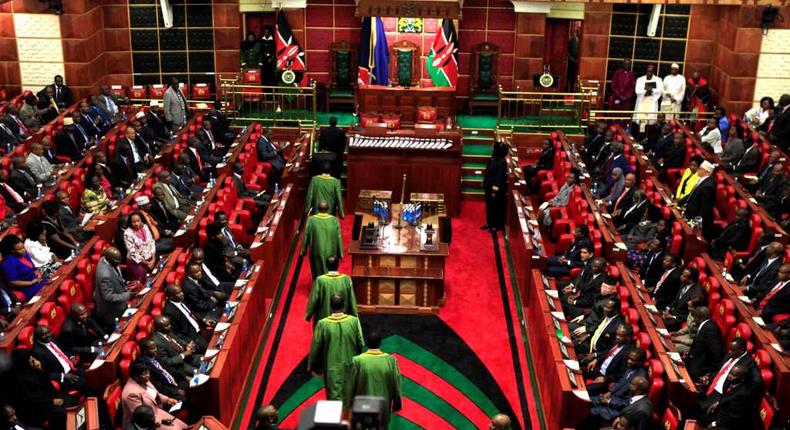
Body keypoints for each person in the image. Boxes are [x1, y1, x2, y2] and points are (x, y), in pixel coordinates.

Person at [308, 294, 365, 400]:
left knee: (333, 397)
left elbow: (316, 348)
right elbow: (360, 343)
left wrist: (313, 366)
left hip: (331, 366)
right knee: (350, 396)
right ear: (343, 305)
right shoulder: (354, 321)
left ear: (330, 306)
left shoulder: (322, 324)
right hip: (350, 364)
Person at [344, 331, 402, 428]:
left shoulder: (357, 361)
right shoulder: (391, 361)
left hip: (361, 409)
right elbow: (396, 385)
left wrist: (348, 405)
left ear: (367, 343)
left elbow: (350, 386)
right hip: (382, 409)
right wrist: (397, 404)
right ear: (380, 343)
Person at [699, 338, 763, 414]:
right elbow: (719, 371)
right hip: (710, 386)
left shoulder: (749, 363)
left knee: (697, 409)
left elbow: (757, 384)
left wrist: (726, 399)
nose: (729, 352)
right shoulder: (730, 354)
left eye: (732, 350)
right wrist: (709, 377)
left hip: (721, 395)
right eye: (730, 349)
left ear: (741, 350)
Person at [7, 349, 67, 429]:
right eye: (31, 361)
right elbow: (30, 400)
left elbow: (45, 384)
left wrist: (40, 369)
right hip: (31, 410)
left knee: (63, 400)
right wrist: (51, 402)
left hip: (43, 401)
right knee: (60, 412)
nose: (34, 362)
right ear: (24, 362)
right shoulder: (17, 379)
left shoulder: (31, 371)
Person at [586, 350, 648, 428]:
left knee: (591, 412)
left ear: (640, 362)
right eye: (629, 358)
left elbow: (628, 403)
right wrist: (610, 392)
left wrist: (609, 401)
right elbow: (621, 382)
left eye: (633, 360)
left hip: (619, 409)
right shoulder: (631, 367)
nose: (629, 361)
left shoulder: (639, 379)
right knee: (587, 401)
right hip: (613, 397)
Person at [121, 361, 187, 430]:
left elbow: (155, 394)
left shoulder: (143, 379)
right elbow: (142, 418)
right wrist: (161, 419)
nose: (148, 375)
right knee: (176, 429)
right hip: (145, 424)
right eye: (145, 373)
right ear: (136, 377)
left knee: (182, 425)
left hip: (156, 412)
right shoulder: (131, 394)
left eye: (148, 372)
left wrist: (167, 400)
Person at [31, 325, 85, 393]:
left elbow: (63, 351)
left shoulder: (51, 339)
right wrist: (63, 375)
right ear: (37, 337)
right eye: (43, 335)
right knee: (85, 383)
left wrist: (71, 357)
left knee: (90, 375)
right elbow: (44, 374)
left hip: (72, 368)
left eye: (48, 332)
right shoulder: (37, 352)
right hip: (63, 377)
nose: (48, 335)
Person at [305, 256, 357, 326]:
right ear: (338, 265)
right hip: (342, 318)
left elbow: (314, 299)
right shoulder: (346, 279)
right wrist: (354, 314)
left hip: (324, 317)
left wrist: (309, 314)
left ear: (326, 265)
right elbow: (351, 298)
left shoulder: (320, 280)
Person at [584, 325, 635, 395]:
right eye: (617, 334)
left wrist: (605, 379)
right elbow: (607, 351)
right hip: (599, 369)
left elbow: (622, 374)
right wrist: (596, 360)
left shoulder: (628, 352)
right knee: (579, 371)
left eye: (621, 335)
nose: (617, 337)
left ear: (628, 337)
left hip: (607, 379)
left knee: (585, 390)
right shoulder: (616, 341)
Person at [301, 201, 343, 279]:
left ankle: (318, 287)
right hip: (331, 250)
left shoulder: (311, 220)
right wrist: (340, 253)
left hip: (316, 251)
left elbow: (306, 235)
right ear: (328, 209)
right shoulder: (334, 220)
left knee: (318, 271)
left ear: (317, 209)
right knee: (330, 270)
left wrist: (303, 251)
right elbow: (339, 237)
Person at [93, 246, 131, 330]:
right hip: (111, 310)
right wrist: (127, 295)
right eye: (117, 260)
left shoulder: (104, 259)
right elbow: (108, 296)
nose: (119, 262)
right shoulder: (105, 275)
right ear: (109, 259)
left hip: (118, 296)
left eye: (120, 259)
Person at [0, 235, 45, 299]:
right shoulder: (8, 262)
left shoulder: (24, 254)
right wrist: (31, 283)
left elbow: (33, 269)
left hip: (38, 281)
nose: (23, 250)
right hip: (29, 288)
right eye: (19, 249)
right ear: (11, 250)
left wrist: (38, 273)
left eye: (23, 247)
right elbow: (12, 282)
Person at [685, 306, 723, 382]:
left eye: (694, 317)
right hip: (694, 359)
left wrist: (711, 373)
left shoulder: (710, 329)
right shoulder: (705, 325)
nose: (693, 319)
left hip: (701, 366)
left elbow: (716, 352)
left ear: (700, 317)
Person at [680, 160, 716, 239]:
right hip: (691, 212)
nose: (698, 170)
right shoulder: (702, 180)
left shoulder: (708, 186)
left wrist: (697, 221)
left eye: (700, 168)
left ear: (706, 171)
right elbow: (692, 194)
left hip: (697, 217)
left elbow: (704, 206)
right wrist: (679, 202)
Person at [661, 267, 703, 331]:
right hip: (672, 312)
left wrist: (673, 317)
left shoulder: (696, 294)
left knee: (660, 323)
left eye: (684, 276)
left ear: (691, 280)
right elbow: (676, 300)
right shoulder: (684, 283)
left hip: (680, 319)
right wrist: (667, 309)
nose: (681, 276)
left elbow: (692, 315)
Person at [124, 211, 157, 283]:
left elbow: (151, 242)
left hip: (150, 258)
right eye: (133, 222)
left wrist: (153, 258)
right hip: (137, 263)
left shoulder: (145, 226)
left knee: (155, 277)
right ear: (130, 222)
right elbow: (133, 252)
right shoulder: (127, 233)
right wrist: (146, 263)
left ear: (141, 220)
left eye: (138, 221)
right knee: (143, 283)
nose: (136, 224)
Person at [482, 141, 508, 231]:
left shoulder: (502, 162)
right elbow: (487, 170)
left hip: (496, 190)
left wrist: (494, 191)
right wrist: (484, 181)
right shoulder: (493, 158)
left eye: (493, 147)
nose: (491, 148)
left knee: (495, 208)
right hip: (488, 186)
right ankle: (489, 223)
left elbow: (499, 178)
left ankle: (496, 226)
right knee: (489, 206)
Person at [633, 65, 663, 133]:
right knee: (640, 120)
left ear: (653, 71)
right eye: (648, 71)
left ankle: (648, 134)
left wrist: (652, 91)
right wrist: (646, 91)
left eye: (651, 71)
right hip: (642, 100)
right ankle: (640, 135)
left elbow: (660, 90)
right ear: (646, 71)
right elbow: (637, 90)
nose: (649, 72)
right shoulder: (640, 79)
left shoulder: (658, 80)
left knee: (650, 121)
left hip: (652, 101)